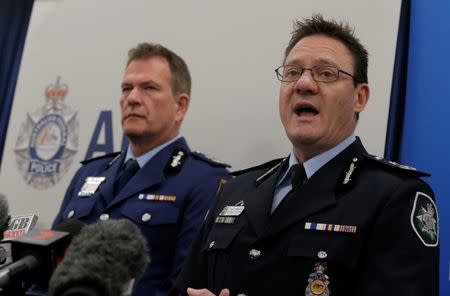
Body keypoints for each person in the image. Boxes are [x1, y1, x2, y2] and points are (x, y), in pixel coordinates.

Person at [171, 15, 439, 296]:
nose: (304, 84)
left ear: (360, 98)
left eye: (326, 74)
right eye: (292, 72)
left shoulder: (395, 196)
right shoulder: (235, 191)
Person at [52, 43, 230, 296]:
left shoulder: (205, 181)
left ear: (180, 106)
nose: (132, 98)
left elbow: (186, 286)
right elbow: (49, 269)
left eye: (149, 88)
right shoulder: (89, 173)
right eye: (127, 88)